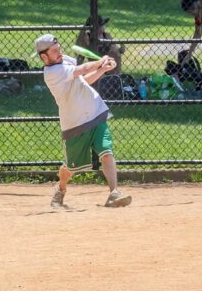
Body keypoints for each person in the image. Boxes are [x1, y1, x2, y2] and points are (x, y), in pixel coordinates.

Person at [35, 34, 132, 208]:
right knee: (70, 168)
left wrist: (102, 70)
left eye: (59, 49)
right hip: (75, 123)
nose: (60, 53)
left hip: (95, 112)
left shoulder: (66, 61)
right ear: (44, 57)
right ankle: (60, 188)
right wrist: (99, 62)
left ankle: (114, 192)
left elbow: (82, 82)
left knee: (106, 151)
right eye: (55, 51)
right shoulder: (52, 73)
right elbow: (83, 69)